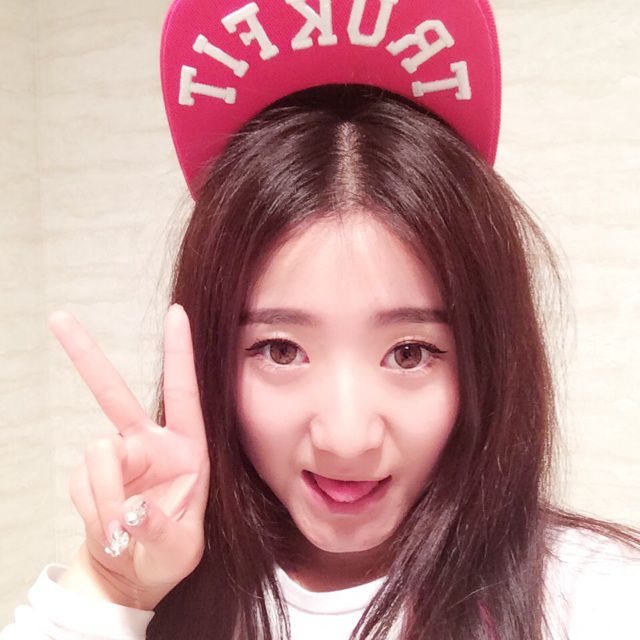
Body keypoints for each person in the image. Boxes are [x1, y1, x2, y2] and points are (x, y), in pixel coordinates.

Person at [2, 0, 639, 638]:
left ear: (488, 360)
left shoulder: (593, 599)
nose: (346, 438)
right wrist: (111, 588)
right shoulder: (158, 588)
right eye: (281, 350)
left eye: (410, 352)